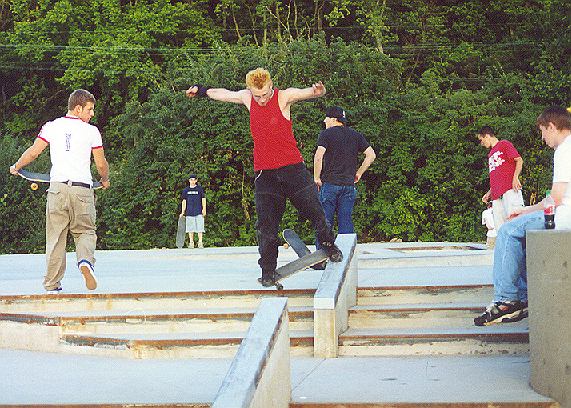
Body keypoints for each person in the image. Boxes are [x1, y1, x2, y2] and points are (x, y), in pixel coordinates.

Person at [185, 68, 342, 287]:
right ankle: (268, 270)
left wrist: (318, 92)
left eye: (265, 94)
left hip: (293, 169)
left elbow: (305, 92)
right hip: (265, 174)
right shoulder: (247, 98)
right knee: (266, 225)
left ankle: (328, 244)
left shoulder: (283, 97)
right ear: (250, 90)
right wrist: (201, 90)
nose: (261, 100)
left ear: (271, 86)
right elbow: (222, 93)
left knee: (314, 209)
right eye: (257, 95)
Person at [474, 106, 571, 326]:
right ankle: (524, 296)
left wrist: (526, 210)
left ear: (551, 127)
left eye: (542, 132)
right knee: (521, 237)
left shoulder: (565, 149)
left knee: (508, 231)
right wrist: (526, 211)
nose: (543, 138)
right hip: (562, 213)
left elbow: (556, 199)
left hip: (563, 217)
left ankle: (507, 299)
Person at [9, 89, 110, 292]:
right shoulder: (92, 132)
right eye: (89, 110)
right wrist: (105, 179)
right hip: (82, 191)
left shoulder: (51, 126)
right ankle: (85, 262)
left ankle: (52, 285)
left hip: (57, 190)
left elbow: (34, 152)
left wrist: (17, 166)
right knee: (85, 231)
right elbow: (100, 164)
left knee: (55, 238)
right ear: (78, 108)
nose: (92, 114)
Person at [313, 106, 376, 235]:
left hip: (330, 184)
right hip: (348, 186)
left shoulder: (326, 134)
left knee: (325, 221)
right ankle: (346, 247)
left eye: (326, 118)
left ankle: (324, 247)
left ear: (333, 119)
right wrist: (359, 173)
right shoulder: (356, 135)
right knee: (346, 221)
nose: (324, 121)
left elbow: (318, 156)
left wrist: (316, 178)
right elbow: (371, 155)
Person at [477, 126, 525, 231]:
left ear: (487, 136)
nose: (481, 143)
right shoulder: (490, 154)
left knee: (515, 223)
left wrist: (515, 177)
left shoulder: (504, 144)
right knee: (500, 229)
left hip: (509, 190)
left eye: (481, 140)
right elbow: (497, 176)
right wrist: (489, 192)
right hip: (496, 196)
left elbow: (519, 160)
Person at [180, 174, 206, 248]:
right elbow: (184, 201)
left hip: (199, 211)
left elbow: (203, 199)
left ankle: (200, 242)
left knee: (200, 227)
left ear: (196, 180)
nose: (193, 181)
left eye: (194, 180)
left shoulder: (200, 189)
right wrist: (182, 212)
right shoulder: (186, 190)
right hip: (189, 212)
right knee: (190, 228)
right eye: (191, 180)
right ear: (189, 180)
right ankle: (191, 242)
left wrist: (204, 209)